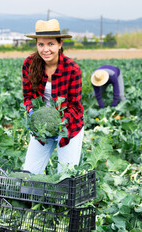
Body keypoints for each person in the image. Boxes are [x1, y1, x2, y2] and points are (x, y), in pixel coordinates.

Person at [22, 19, 84, 174]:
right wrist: (33, 113)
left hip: (69, 128)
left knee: (65, 177)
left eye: (50, 44)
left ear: (60, 44)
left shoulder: (72, 69)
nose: (45, 49)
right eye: (41, 44)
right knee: (29, 174)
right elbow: (28, 96)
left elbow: (75, 106)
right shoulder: (29, 64)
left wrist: (59, 122)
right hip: (41, 129)